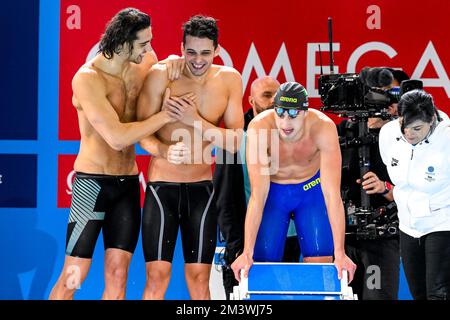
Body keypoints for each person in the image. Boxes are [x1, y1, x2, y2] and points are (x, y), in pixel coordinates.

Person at [49, 8, 184, 300]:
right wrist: (163, 117)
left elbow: (165, 76)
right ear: (123, 43)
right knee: (74, 276)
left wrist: (173, 63)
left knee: (118, 274)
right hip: (91, 184)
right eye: (144, 43)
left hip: (127, 184)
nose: (150, 50)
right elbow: (116, 136)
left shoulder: (146, 62)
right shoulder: (88, 79)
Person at [137, 15, 244, 300]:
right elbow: (141, 132)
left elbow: (235, 142)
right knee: (156, 277)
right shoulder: (162, 74)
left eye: (206, 53)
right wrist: (164, 150)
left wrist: (194, 119)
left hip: (202, 190)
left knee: (199, 280)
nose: (198, 60)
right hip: (162, 189)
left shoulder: (229, 80)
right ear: (182, 48)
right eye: (191, 52)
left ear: (217, 51)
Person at [231, 82, 356, 283]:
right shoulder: (260, 127)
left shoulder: (323, 127)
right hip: (274, 194)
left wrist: (340, 253)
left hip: (310, 192)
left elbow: (332, 195)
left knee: (321, 266)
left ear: (305, 112)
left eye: (293, 114)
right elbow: (258, 195)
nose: (285, 123)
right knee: (262, 265)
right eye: (280, 113)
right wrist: (247, 252)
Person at [338, 68, 410, 300]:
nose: (385, 99)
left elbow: (420, 190)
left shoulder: (406, 138)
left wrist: (385, 188)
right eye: (379, 92)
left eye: (392, 93)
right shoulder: (343, 132)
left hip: (381, 237)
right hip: (343, 239)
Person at [214, 76, 281, 299]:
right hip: (245, 242)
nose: (273, 101)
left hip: (287, 239)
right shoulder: (233, 139)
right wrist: (234, 244)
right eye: (266, 95)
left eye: (277, 95)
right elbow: (224, 198)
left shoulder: (295, 134)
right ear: (251, 101)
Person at [379, 89, 450, 300]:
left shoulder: (447, 138)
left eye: (417, 128)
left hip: (442, 223)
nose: (409, 134)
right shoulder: (388, 134)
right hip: (408, 226)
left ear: (432, 119)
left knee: (438, 294)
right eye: (404, 126)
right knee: (418, 293)